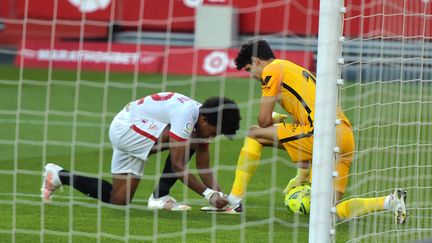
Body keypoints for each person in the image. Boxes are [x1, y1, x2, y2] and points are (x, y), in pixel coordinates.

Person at [214, 39, 407, 224]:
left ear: (256, 61)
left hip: (321, 134)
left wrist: (272, 118)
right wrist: (302, 175)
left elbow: (263, 121)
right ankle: (389, 201)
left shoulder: (271, 70)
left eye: (249, 70)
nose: (252, 76)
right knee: (327, 211)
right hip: (345, 136)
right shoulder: (295, 70)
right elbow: (302, 124)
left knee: (253, 133)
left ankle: (234, 201)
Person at [41, 92, 241, 210]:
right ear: (205, 120)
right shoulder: (187, 116)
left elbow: (203, 165)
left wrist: (220, 196)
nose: (212, 137)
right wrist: (208, 195)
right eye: (214, 132)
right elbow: (179, 166)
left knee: (119, 198)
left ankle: (58, 175)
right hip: (127, 128)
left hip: (140, 130)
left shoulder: (200, 119)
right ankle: (159, 196)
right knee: (185, 140)